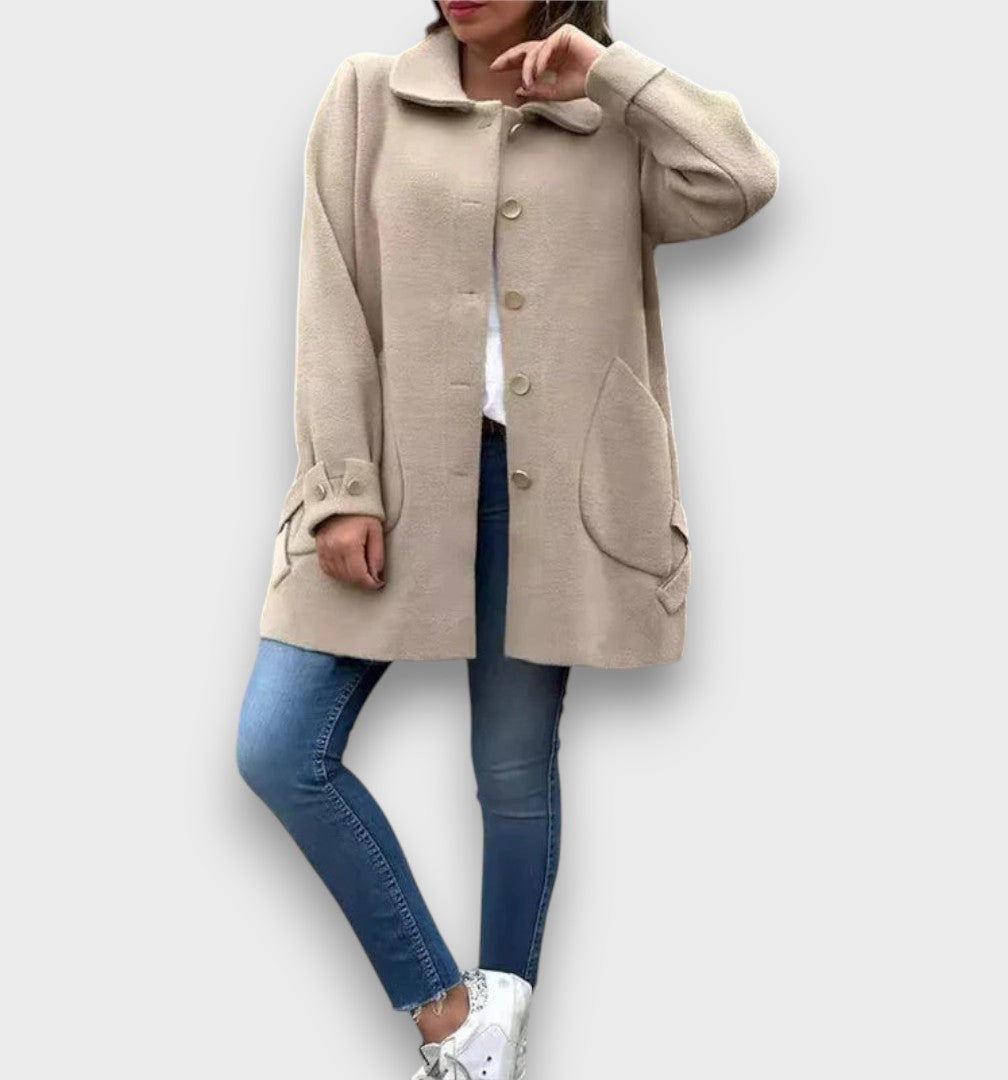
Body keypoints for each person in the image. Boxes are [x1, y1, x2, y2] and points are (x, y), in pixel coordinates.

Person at [236, 2, 779, 1077]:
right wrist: (342, 486)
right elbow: (328, 297)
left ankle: (491, 1048)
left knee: (514, 768)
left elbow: (739, 179)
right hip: (395, 484)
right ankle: (445, 1007)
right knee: (279, 746)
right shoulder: (368, 97)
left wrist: (610, 73)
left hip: (555, 493)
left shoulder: (612, 117)